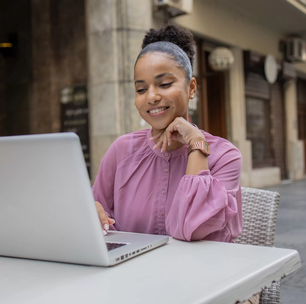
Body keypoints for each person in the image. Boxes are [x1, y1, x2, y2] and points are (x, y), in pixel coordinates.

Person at [92, 24, 242, 243]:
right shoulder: (122, 150)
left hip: (206, 274)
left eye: (164, 84)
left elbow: (191, 228)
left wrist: (196, 144)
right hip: (134, 274)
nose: (151, 97)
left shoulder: (225, 157)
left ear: (191, 88)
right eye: (141, 89)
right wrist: (93, 210)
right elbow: (97, 207)